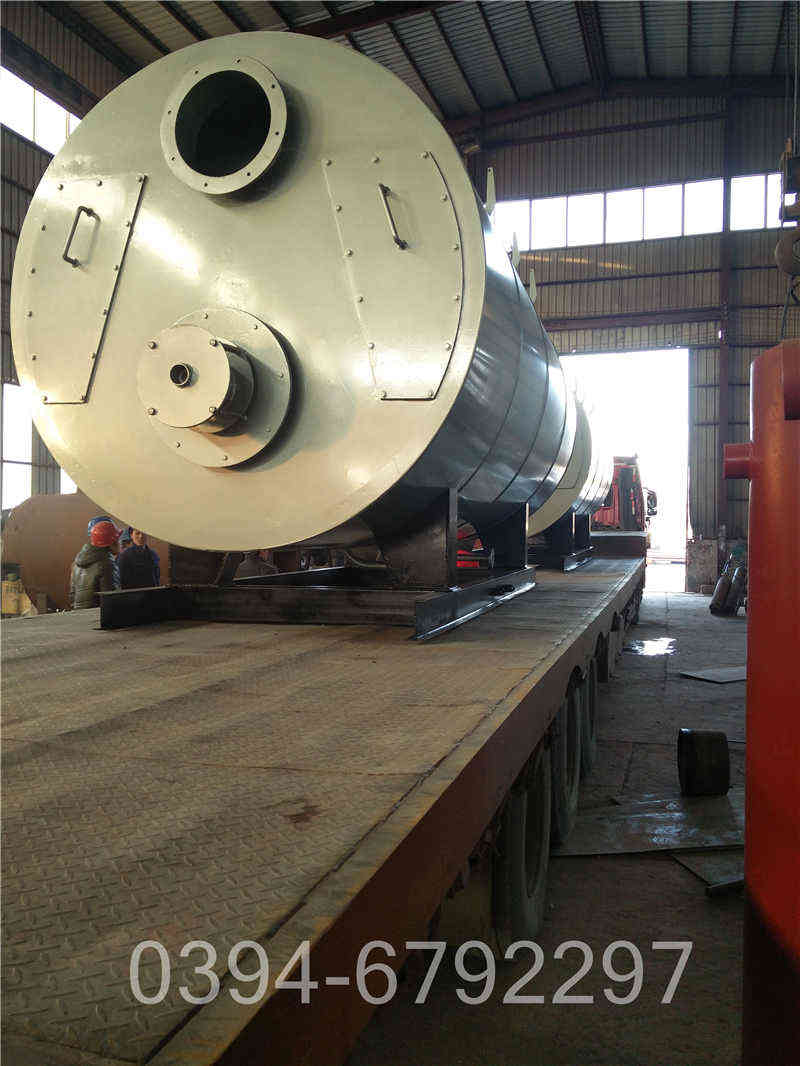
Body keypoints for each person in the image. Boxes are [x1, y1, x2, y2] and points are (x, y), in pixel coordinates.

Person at [69, 519, 121, 609]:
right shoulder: (107, 564)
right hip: (100, 615)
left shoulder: (76, 564)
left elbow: (72, 596)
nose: (120, 543)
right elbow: (112, 600)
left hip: (80, 614)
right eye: (118, 539)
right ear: (112, 542)